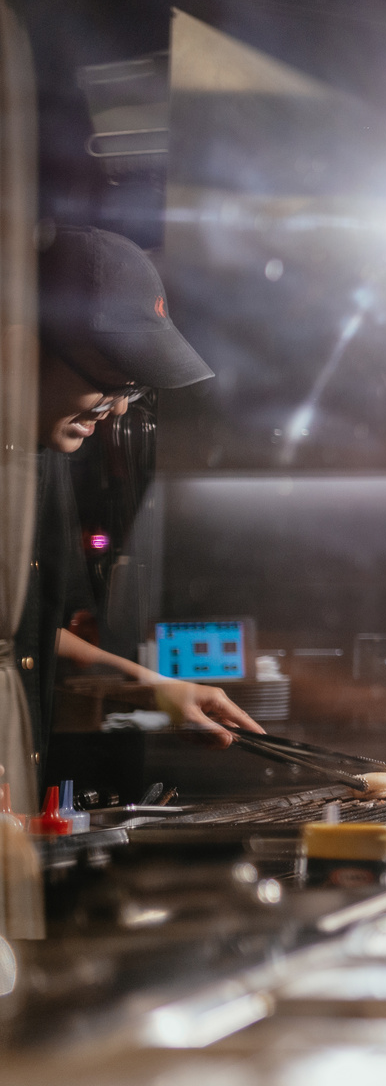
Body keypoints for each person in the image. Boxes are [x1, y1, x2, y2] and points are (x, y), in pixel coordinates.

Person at [23, 226, 262, 753]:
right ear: (25, 343)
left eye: (134, 388)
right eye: (114, 379)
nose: (122, 408)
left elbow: (28, 637)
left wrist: (156, 688)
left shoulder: (40, 463)